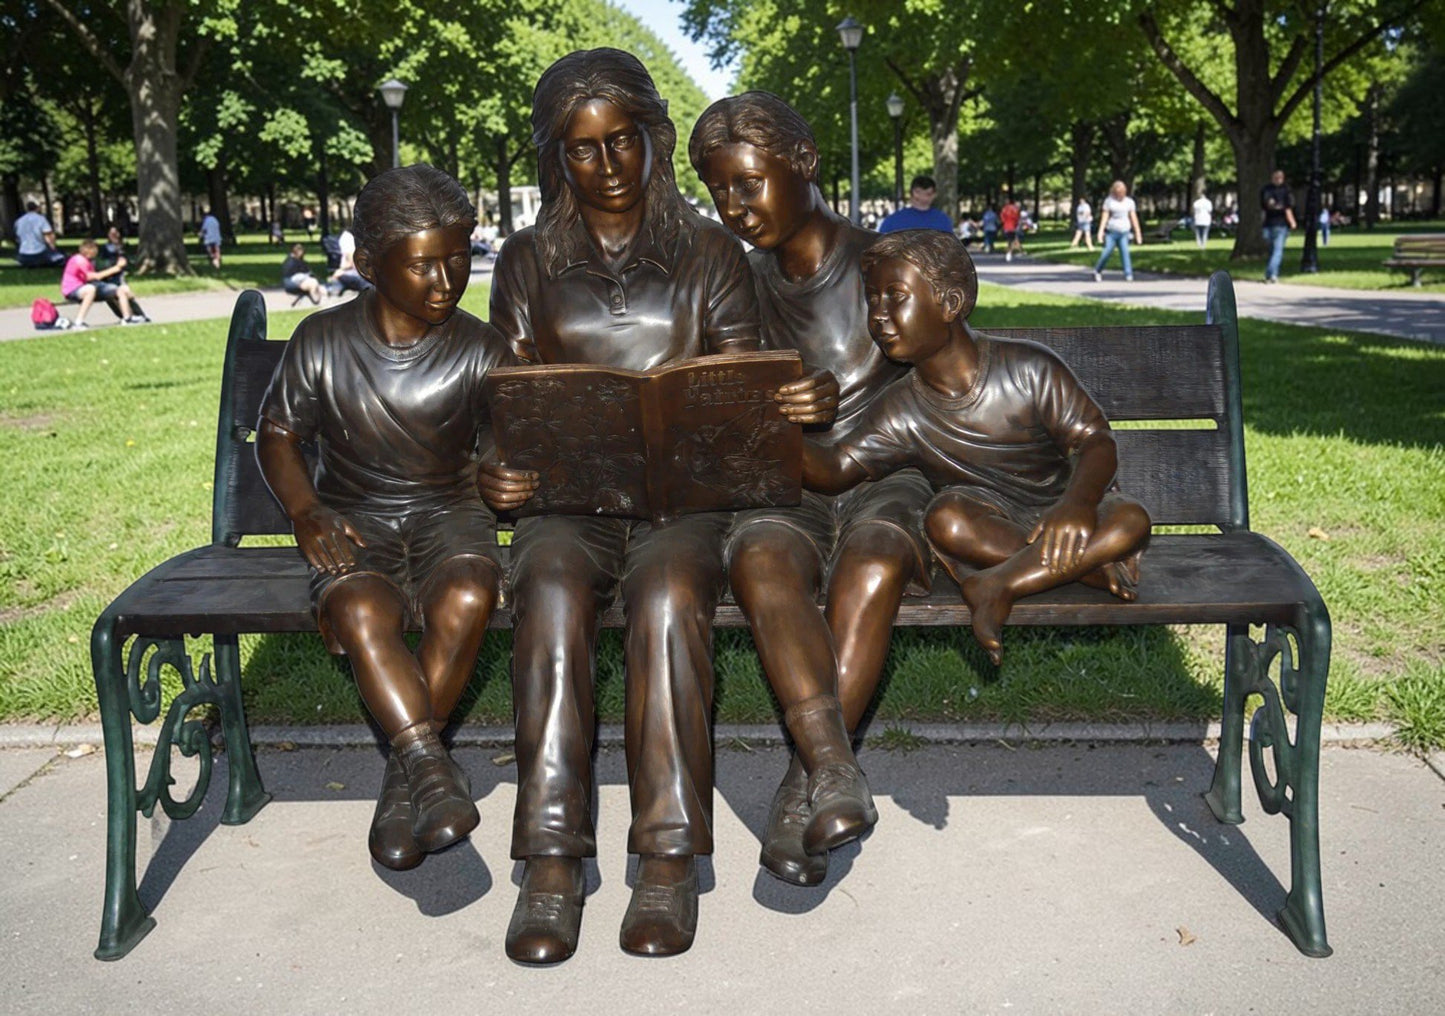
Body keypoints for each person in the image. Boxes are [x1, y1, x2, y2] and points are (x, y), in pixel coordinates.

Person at [478, 48, 763, 964]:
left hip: (683, 501)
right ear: (555, 158)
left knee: (670, 597)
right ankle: (552, 860)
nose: (606, 166)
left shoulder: (711, 253)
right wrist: (499, 467)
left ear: (654, 139)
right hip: (569, 499)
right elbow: (505, 399)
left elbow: (744, 388)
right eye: (582, 149)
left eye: (621, 142)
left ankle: (668, 858)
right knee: (551, 587)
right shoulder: (526, 261)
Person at [691, 91, 934, 887]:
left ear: (804, 164)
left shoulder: (884, 266)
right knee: (758, 557)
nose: (734, 206)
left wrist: (846, 399)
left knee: (871, 563)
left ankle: (805, 782)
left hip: (889, 478)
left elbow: (949, 376)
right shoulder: (736, 282)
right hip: (786, 487)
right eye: (718, 189)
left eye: (749, 182)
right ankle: (833, 765)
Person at [256, 163, 512, 875]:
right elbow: (277, 435)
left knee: (465, 595)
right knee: (362, 606)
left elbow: (500, 446)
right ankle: (430, 766)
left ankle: (407, 781)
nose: (446, 279)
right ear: (369, 265)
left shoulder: (480, 349)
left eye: (458, 258)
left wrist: (502, 473)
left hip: (450, 518)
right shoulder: (322, 340)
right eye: (424, 264)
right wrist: (306, 510)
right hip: (355, 522)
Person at [803, 230, 1152, 665]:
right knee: (945, 519)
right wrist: (768, 428)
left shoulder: (1028, 368)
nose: (879, 315)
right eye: (872, 299)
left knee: (1129, 520)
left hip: (1065, 509)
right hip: (990, 523)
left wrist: (1077, 505)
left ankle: (999, 582)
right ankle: (1092, 569)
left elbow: (1095, 441)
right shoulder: (900, 408)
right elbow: (836, 467)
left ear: (949, 304)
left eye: (896, 296)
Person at [60, 239, 144, 328]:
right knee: (90, 289)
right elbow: (93, 277)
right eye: (94, 250)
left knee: (117, 289)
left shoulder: (88, 261)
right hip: (72, 290)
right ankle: (78, 322)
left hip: (84, 286)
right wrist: (116, 268)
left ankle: (128, 318)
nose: (96, 252)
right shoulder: (79, 260)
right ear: (88, 250)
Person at [95, 226, 150, 322]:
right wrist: (115, 265)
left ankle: (139, 315)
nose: (114, 235)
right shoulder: (105, 248)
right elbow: (101, 263)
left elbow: (127, 262)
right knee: (112, 298)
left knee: (127, 295)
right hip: (109, 276)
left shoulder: (123, 247)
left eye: (116, 233)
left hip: (119, 276)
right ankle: (124, 316)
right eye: (111, 233)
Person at [1093, 180, 1143, 281]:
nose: (1120, 195)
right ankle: (1098, 270)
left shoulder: (1129, 202)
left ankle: (1128, 273)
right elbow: (1105, 217)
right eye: (1117, 193)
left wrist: (1138, 233)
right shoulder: (1109, 201)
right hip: (1111, 232)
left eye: (1122, 192)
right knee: (1107, 252)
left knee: (1125, 252)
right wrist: (1100, 231)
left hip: (1124, 231)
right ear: (1114, 192)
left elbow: (1133, 218)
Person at [879, 174, 953, 234]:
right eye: (918, 192)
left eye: (928, 194)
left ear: (934, 195)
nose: (923, 197)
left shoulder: (943, 221)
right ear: (910, 193)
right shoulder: (892, 221)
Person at [1260, 169, 1295, 284]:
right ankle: (1271, 274)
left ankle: (1271, 274)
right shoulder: (1285, 190)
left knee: (1273, 251)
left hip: (1270, 224)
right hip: (1278, 224)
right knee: (1277, 251)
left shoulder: (1267, 190)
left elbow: (1266, 206)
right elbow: (1287, 208)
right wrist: (1292, 222)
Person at [14, 202, 66, 268]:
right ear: (37, 208)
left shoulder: (19, 221)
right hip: (39, 253)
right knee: (60, 256)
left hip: (23, 255)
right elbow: (48, 235)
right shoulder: (41, 219)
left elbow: (18, 238)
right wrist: (53, 248)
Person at [327, 229, 372, 296]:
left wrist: (340, 271)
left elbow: (350, 261)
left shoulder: (347, 237)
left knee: (337, 280)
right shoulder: (366, 236)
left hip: (353, 272)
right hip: (365, 271)